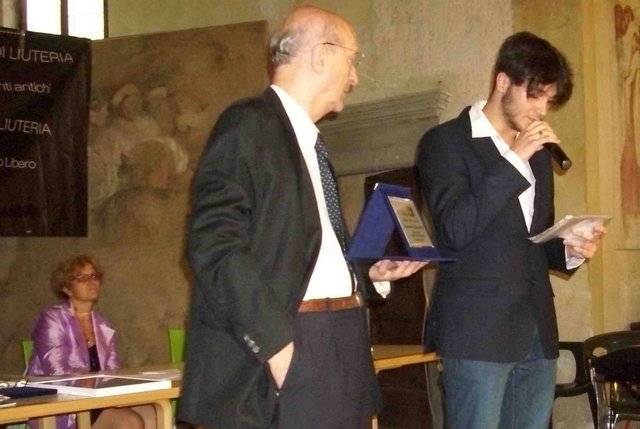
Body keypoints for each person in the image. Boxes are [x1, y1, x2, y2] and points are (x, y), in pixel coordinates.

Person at [179, 5, 425, 429]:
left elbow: (307, 252)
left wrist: (367, 274)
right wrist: (278, 348)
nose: (355, 77)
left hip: (340, 339)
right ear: (321, 55)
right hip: (288, 342)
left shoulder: (312, 144)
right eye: (352, 60)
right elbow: (213, 244)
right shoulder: (248, 124)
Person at [417, 31, 606, 429]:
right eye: (535, 96)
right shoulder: (445, 143)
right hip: (477, 333)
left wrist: (570, 248)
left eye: (549, 101)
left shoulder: (537, 158)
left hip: (536, 329)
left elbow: (533, 241)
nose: (542, 111)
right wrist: (513, 160)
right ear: (503, 82)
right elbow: (454, 230)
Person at [26, 255, 156, 429]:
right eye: (82, 278)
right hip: (62, 405)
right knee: (130, 422)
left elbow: (113, 371)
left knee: (151, 413)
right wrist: (95, 381)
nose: (91, 282)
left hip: (98, 399)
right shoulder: (52, 319)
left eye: (94, 276)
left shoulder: (103, 325)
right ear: (67, 288)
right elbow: (57, 374)